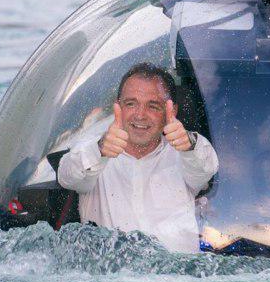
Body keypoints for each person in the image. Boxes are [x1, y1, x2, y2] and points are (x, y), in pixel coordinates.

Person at [57, 63, 218, 253]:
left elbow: (206, 167)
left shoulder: (186, 154)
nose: (140, 115)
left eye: (153, 106)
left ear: (171, 111)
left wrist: (189, 144)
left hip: (179, 277)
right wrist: (100, 150)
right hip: (112, 277)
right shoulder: (94, 150)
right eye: (131, 104)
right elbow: (67, 176)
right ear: (118, 106)